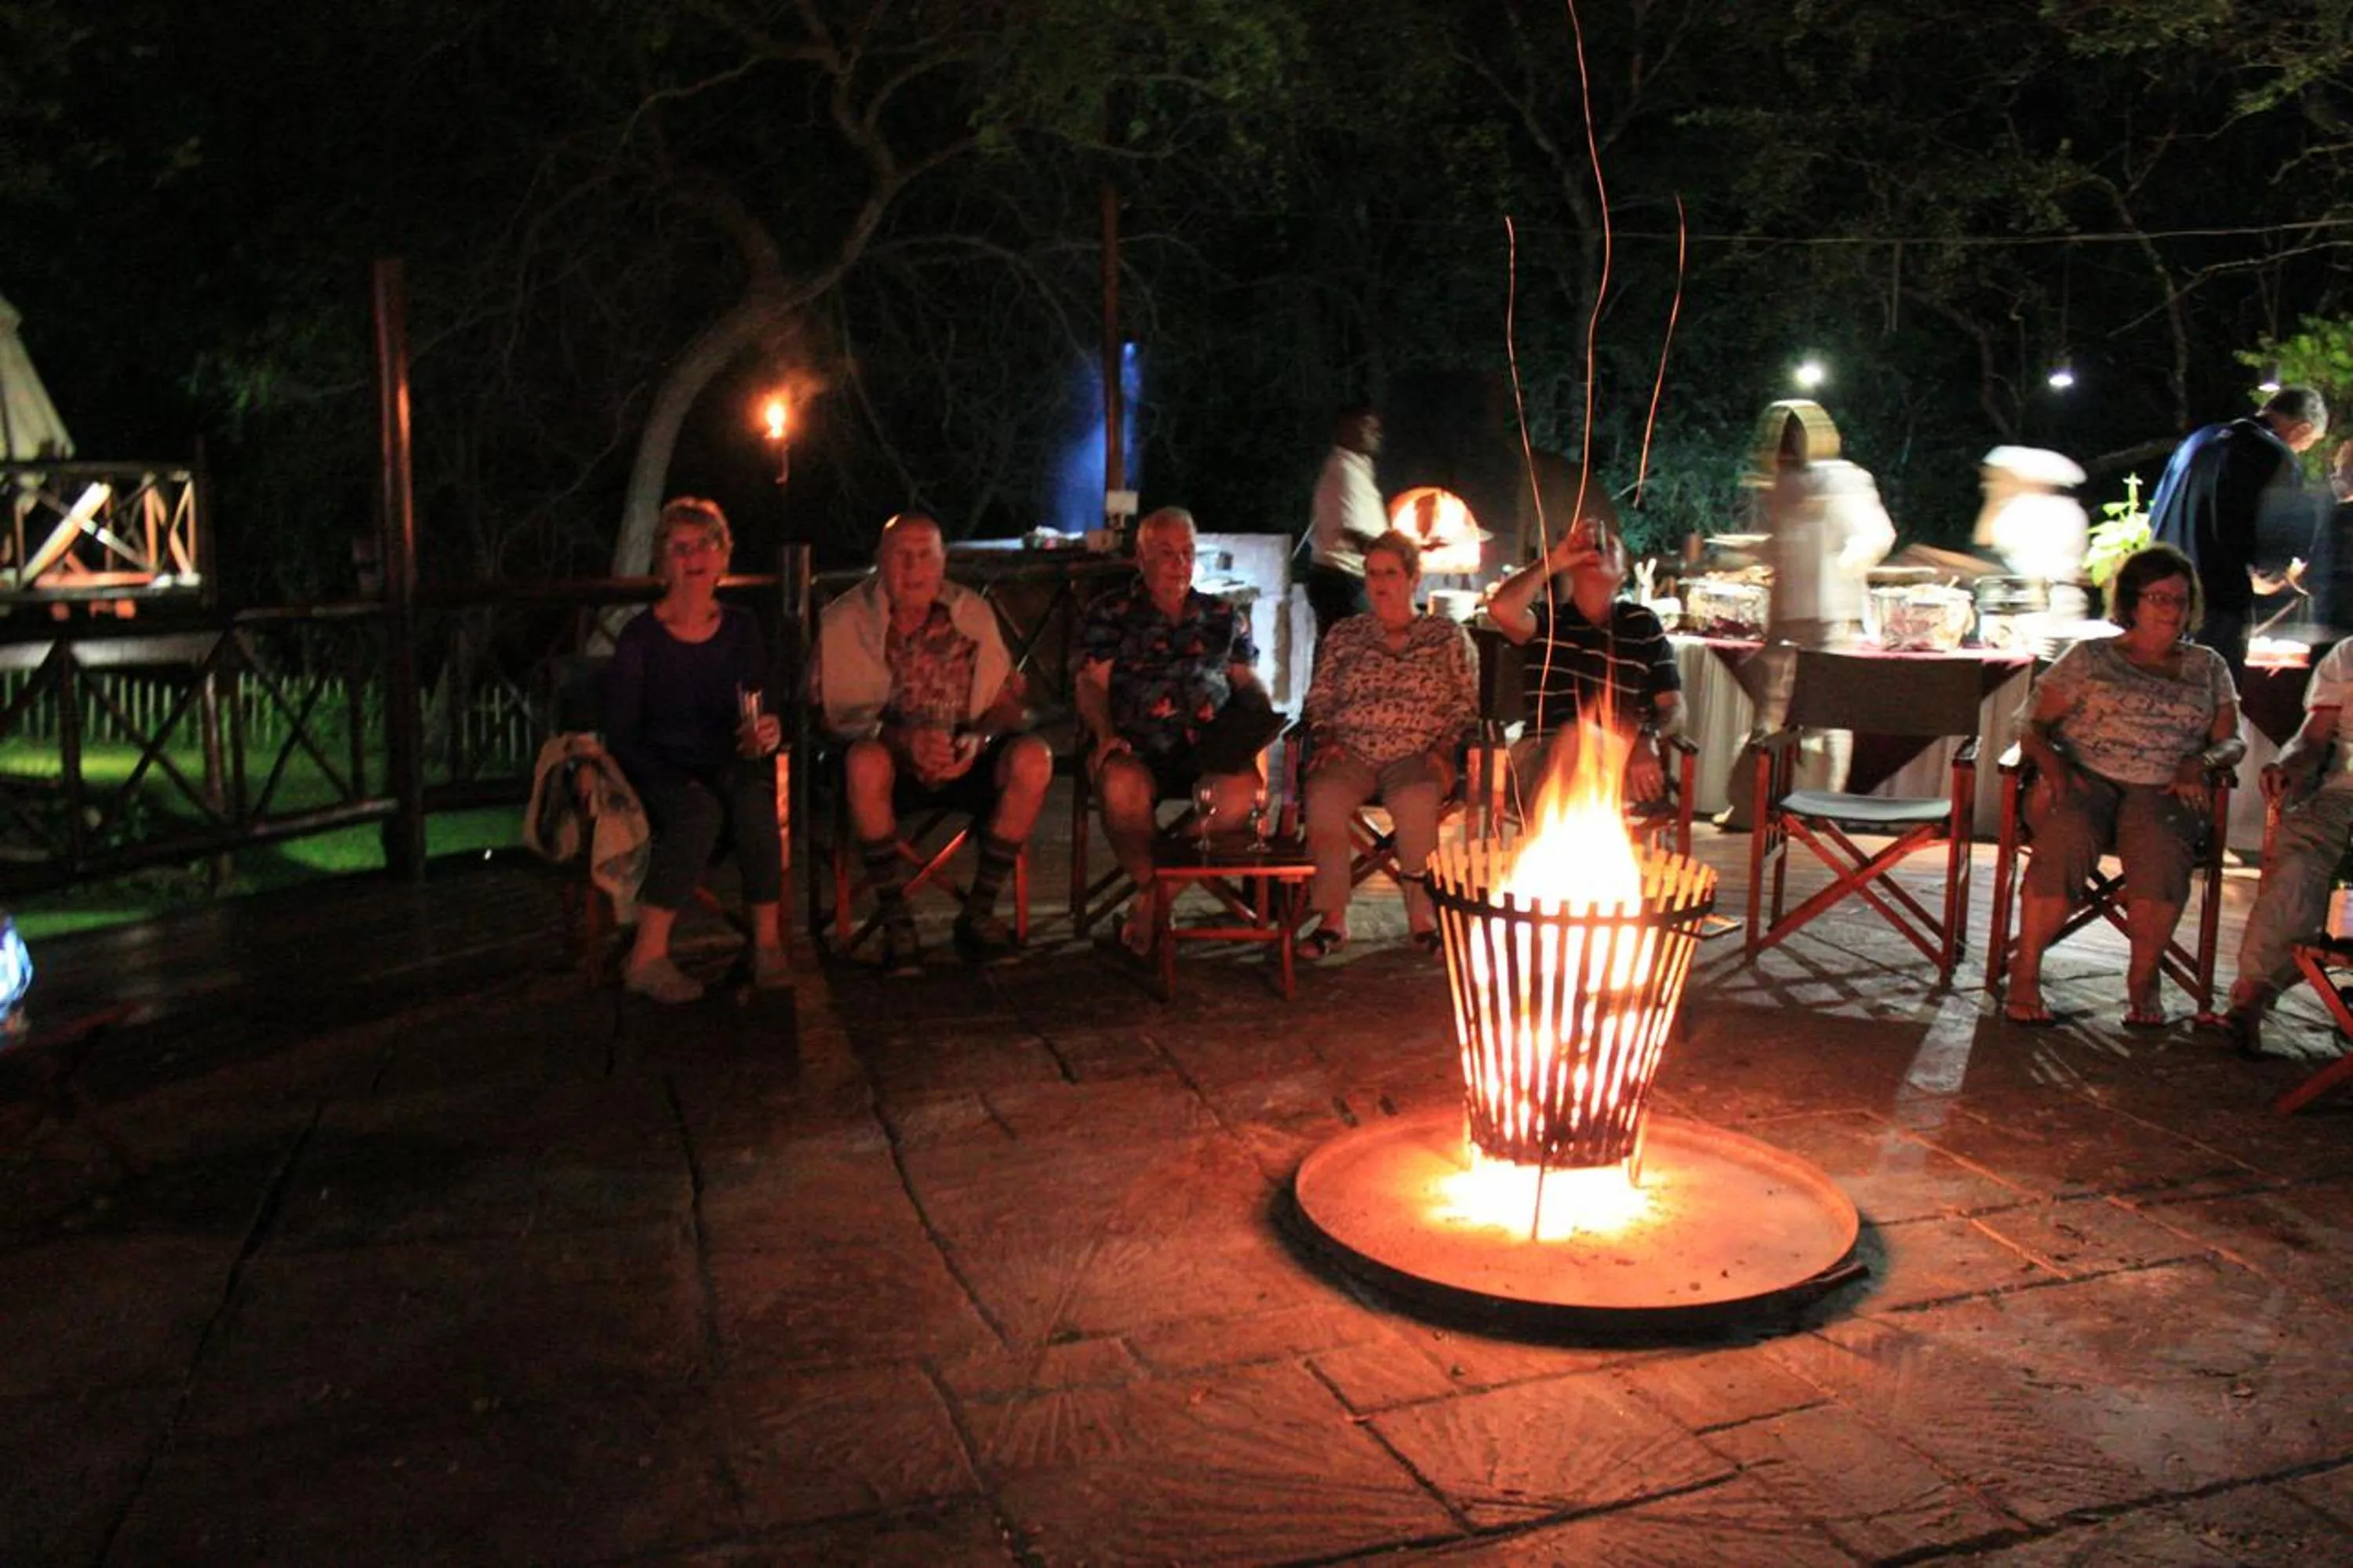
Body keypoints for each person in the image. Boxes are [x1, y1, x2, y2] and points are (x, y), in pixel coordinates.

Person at [2003, 544, 2244, 1028]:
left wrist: (2201, 761)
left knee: (2161, 844)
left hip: (2165, 785)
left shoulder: (2208, 666)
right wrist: (2050, 766)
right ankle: (2025, 970)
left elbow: (2232, 741)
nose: (2171, 609)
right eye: (2158, 598)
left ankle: (2143, 977)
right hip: (2086, 776)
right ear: (2132, 603)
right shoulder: (2090, 657)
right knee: (2068, 834)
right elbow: (2029, 725)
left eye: (2179, 599)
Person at [815, 512, 1052, 975]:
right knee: (863, 762)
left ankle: (979, 913)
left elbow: (1006, 701)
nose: (914, 567)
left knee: (1033, 758)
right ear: (879, 562)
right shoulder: (847, 619)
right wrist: (902, 742)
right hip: (890, 763)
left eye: (926, 555)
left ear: (943, 562)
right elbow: (826, 715)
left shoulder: (972, 612)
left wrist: (978, 739)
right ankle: (895, 919)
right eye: (902, 555)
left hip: (966, 754)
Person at [603, 497, 787, 1004]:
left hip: (725, 759)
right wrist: (670, 775)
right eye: (681, 547)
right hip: (658, 767)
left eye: (707, 544)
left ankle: (766, 946)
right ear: (663, 562)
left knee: (754, 801)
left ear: (723, 557)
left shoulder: (742, 627)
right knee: (697, 811)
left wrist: (765, 730)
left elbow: (758, 703)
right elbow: (622, 734)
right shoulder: (640, 639)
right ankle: (647, 956)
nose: (695, 556)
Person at [1076, 505, 1278, 955]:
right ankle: (1159, 895)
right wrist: (1104, 733)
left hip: (1208, 746)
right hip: (1137, 745)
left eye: (1187, 553)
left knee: (1244, 790)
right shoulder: (1112, 612)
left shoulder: (1224, 616)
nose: (1180, 564)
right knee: (1119, 786)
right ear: (1140, 557)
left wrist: (1263, 720)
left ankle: (1152, 901)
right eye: (1166, 554)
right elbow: (1092, 683)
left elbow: (1246, 681)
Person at [1298, 530, 1479, 957]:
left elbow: (1465, 701)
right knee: (1323, 795)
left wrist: (1443, 749)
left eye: (1391, 573)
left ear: (1415, 579)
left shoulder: (1445, 636)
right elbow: (1320, 695)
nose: (1380, 583)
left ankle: (1422, 919)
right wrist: (1324, 735)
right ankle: (1332, 921)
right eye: (1372, 573)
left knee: (1416, 797)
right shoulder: (1346, 634)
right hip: (1352, 748)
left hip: (1417, 752)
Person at [1483, 512, 1682, 808]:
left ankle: (1551, 845)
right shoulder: (1548, 618)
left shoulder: (1642, 624)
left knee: (1580, 739)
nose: (1596, 551)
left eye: (1609, 548)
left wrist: (1646, 738)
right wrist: (1556, 558)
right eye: (1589, 549)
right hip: (1540, 753)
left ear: (1623, 575)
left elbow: (1675, 708)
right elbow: (1500, 609)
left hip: (1616, 754)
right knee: (1575, 737)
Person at [2217, 635, 2353, 1055]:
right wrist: (2290, 766)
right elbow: (2313, 738)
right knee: (2298, 865)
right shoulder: (2349, 655)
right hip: (2344, 797)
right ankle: (2251, 996)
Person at [2147, 385, 2329, 688]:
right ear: (2303, 428)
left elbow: (2156, 515)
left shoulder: (2198, 439)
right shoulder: (2275, 456)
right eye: (2308, 443)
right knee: (2212, 701)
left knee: (2153, 698)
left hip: (2156, 597)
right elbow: (2276, 550)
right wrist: (2276, 575)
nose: (2303, 451)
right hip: (2216, 604)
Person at [1973, 445, 2091, 621]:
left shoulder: (2040, 509)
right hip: (2033, 603)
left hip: (2043, 607)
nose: (1988, 485)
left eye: (1999, 477)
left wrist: (1994, 498)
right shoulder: (2065, 507)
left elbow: (1984, 539)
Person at [1305, 406, 1387, 642]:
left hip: (1347, 579)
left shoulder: (1357, 468)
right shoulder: (1342, 471)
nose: (1377, 434)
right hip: (1341, 581)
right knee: (1346, 653)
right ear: (1346, 430)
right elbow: (1355, 535)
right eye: (1368, 427)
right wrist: (1396, 555)